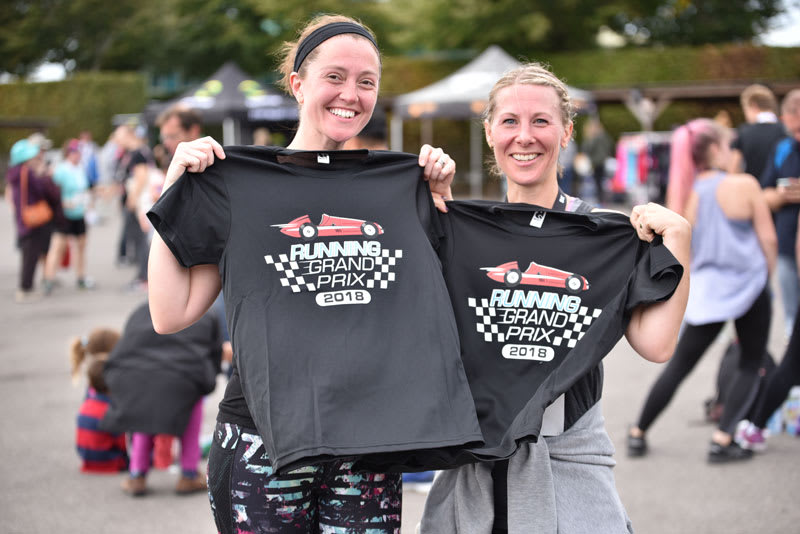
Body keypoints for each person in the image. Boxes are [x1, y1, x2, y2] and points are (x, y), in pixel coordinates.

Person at [147, 14, 464, 533]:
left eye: (367, 82)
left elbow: (443, 309)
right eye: (334, 77)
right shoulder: (238, 185)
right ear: (298, 84)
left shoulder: (402, 188)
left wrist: (439, 203)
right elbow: (169, 313)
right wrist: (173, 190)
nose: (351, 94)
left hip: (368, 444)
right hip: (260, 444)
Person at [419, 62, 691, 534]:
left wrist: (679, 241)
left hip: (567, 465)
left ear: (566, 132)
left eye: (541, 121)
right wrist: (425, 210)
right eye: (510, 121)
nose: (525, 136)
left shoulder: (603, 233)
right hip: (472, 467)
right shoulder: (454, 228)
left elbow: (657, 345)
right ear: (489, 133)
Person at [627, 118, 777, 464]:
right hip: (749, 284)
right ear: (714, 149)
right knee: (750, 361)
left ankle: (638, 431)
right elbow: (767, 238)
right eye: (727, 145)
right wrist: (766, 277)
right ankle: (723, 439)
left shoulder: (691, 192)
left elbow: (686, 247)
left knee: (680, 364)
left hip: (709, 290)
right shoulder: (745, 185)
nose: (731, 151)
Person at [99, 301, 225, 496]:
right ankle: (189, 475)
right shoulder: (205, 312)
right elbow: (215, 354)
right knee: (192, 414)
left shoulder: (144, 309)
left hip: (135, 376)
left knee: (143, 423)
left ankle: (137, 476)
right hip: (183, 379)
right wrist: (208, 381)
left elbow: (127, 344)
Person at [760, 89, 800, 338]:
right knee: (791, 316)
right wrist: (781, 195)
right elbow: (764, 194)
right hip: (786, 243)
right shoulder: (783, 148)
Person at [5, 138, 60, 302]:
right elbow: (42, 190)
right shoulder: (27, 172)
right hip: (33, 220)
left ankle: (26, 286)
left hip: (23, 219)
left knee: (28, 255)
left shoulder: (15, 173)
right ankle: (25, 288)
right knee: (31, 256)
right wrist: (43, 174)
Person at [70, 328, 129, 473]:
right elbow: (122, 441)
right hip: (111, 461)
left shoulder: (90, 393)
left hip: (87, 459)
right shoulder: (110, 409)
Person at [43, 139, 94, 294]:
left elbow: (85, 189)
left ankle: (80, 277)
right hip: (64, 215)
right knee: (58, 246)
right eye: (74, 152)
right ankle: (48, 279)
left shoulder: (80, 168)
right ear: (68, 153)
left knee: (81, 245)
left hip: (79, 213)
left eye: (79, 152)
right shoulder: (61, 170)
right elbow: (50, 191)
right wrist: (62, 203)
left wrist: (88, 201)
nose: (77, 155)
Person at [729, 84, 785, 177]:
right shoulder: (786, 130)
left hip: (752, 189)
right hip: (781, 189)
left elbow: (734, 169)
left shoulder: (744, 132)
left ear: (753, 106)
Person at [580, 117, 613, 204]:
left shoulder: (594, 138)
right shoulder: (604, 136)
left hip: (596, 163)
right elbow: (609, 146)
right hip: (600, 162)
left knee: (597, 182)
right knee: (600, 182)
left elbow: (587, 148)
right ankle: (601, 199)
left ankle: (600, 200)